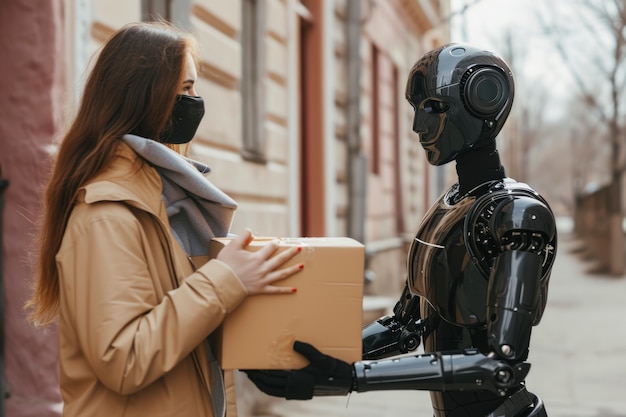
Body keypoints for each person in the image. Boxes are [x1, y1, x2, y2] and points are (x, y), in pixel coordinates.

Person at [245, 43, 557, 417]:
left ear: (481, 101)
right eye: (416, 109)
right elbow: (404, 325)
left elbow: (500, 365)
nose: (417, 126)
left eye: (432, 108)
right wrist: (307, 357)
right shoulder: (449, 206)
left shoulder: (519, 214)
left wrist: (350, 376)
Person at [25, 21, 303, 417]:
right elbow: (125, 358)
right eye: (186, 89)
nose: (196, 101)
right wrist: (227, 280)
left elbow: (177, 321)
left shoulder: (166, 201)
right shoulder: (108, 215)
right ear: (145, 96)